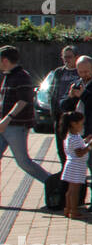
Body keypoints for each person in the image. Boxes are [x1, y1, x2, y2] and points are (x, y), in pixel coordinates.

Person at [60, 55, 92, 214]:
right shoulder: (76, 84)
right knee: (76, 168)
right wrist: (70, 97)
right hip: (76, 133)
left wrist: (84, 95)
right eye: (80, 71)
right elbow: (63, 106)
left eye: (86, 71)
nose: (83, 75)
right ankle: (78, 200)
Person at [0, 45, 52, 185]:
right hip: (4, 126)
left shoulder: (21, 76)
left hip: (15, 126)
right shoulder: (8, 76)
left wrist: (7, 119)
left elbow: (23, 100)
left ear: (5, 60)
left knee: (23, 162)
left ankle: (51, 182)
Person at [58, 111, 92, 220]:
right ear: (73, 123)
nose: (82, 126)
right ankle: (74, 210)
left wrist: (86, 140)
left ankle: (67, 209)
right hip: (77, 166)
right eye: (80, 124)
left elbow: (78, 145)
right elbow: (80, 152)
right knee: (75, 191)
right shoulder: (75, 138)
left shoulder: (71, 136)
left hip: (71, 164)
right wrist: (90, 146)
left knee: (70, 190)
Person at [50, 45, 80, 165]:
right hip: (59, 113)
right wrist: (53, 111)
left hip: (74, 114)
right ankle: (64, 168)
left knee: (74, 144)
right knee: (60, 145)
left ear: (76, 57)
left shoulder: (80, 71)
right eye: (64, 57)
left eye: (69, 57)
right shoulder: (59, 72)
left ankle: (76, 171)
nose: (66, 59)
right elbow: (53, 92)